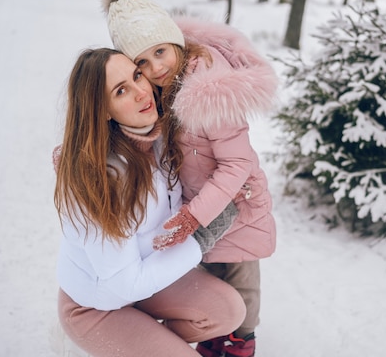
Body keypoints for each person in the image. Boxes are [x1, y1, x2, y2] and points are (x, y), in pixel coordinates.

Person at [100, 0, 278, 357]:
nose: (155, 66)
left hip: (238, 205)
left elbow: (237, 162)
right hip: (202, 204)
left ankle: (241, 340)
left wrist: (196, 214)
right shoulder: (163, 89)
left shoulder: (208, 90)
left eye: (161, 51)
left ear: (175, 41)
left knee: (241, 278)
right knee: (210, 275)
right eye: (142, 62)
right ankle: (218, 333)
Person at [53, 47, 246, 357]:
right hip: (96, 305)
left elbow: (171, 45)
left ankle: (146, 339)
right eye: (121, 90)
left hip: (146, 284)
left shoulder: (157, 137)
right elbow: (126, 284)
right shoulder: (99, 180)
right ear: (102, 110)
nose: (142, 92)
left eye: (137, 76)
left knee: (228, 310)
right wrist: (202, 237)